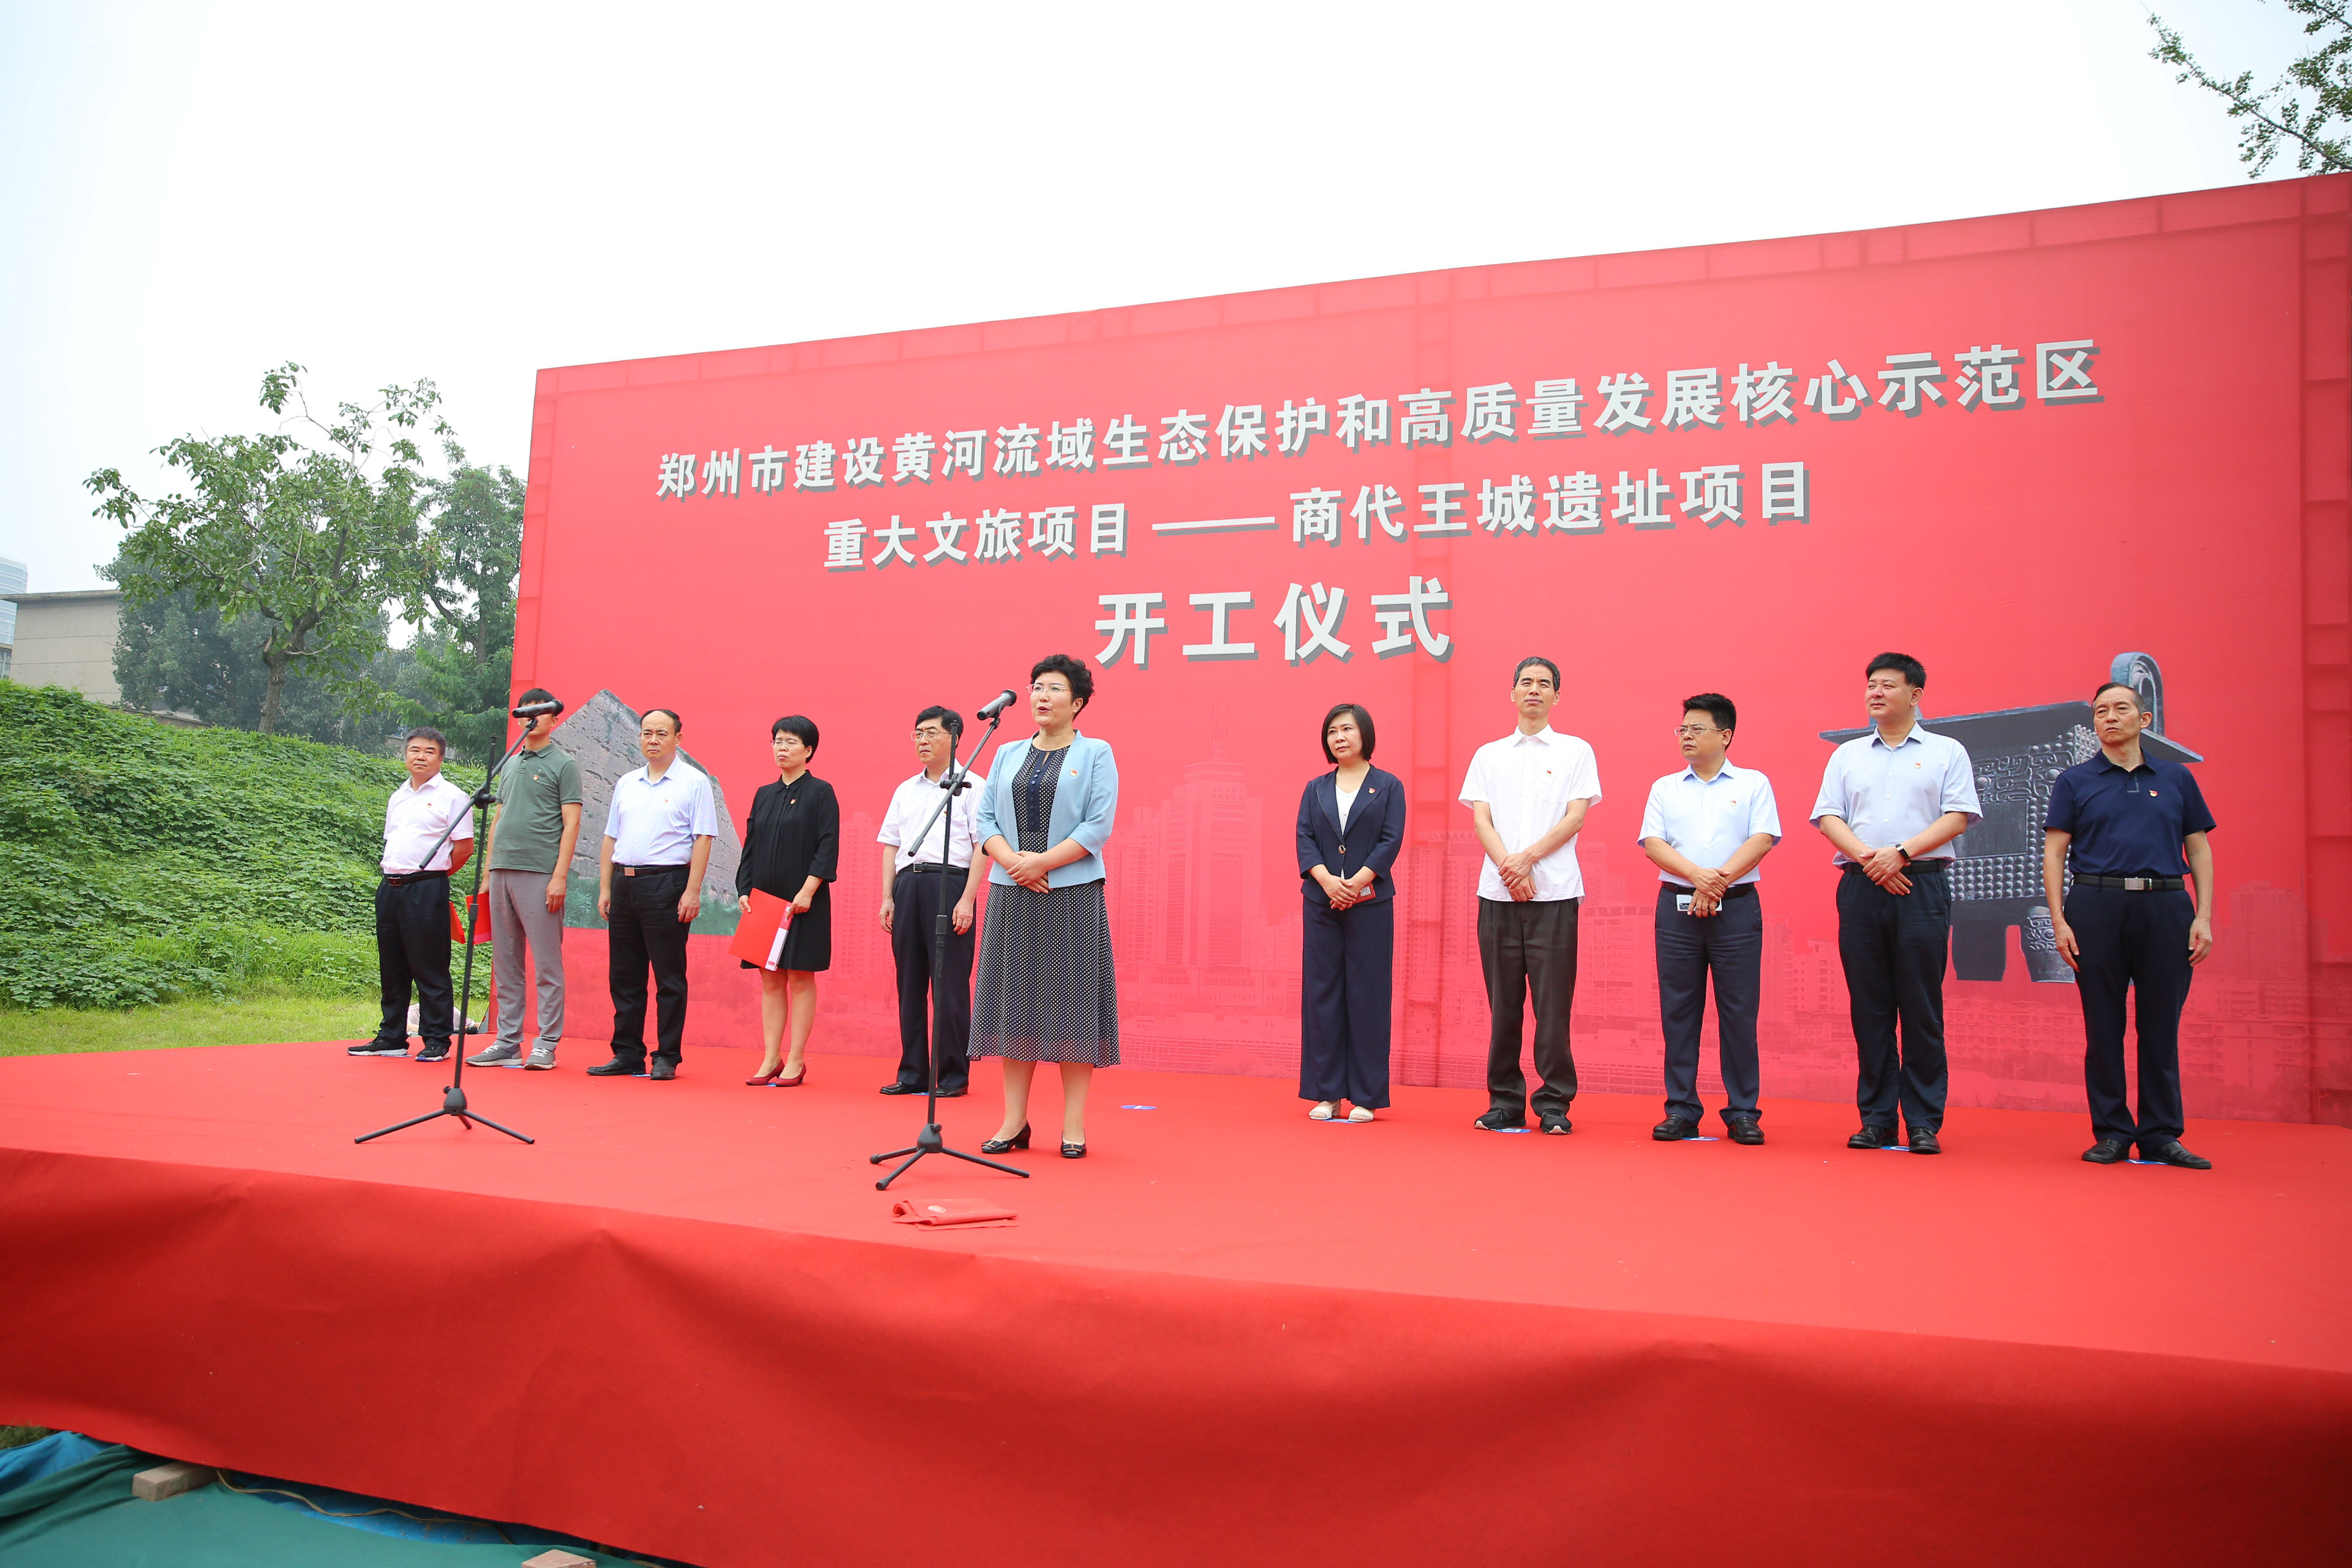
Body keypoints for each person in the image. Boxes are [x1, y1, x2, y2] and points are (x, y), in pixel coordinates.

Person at [1810, 654, 1981, 1155]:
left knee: (1921, 1006)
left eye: (1887, 685)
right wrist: (1870, 859)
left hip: (1920, 885)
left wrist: (1901, 854)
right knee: (1870, 1007)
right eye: (1871, 685)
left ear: (1916, 694)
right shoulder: (1848, 755)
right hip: (1862, 885)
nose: (1876, 693)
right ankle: (1878, 1118)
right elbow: (1828, 817)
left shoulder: (1947, 751)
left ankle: (1923, 1120)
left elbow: (1958, 816)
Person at [2044, 680, 2218, 1169]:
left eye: (2121, 709)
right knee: (2103, 1027)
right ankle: (2113, 1132)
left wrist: (2203, 916)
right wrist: (2059, 920)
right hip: (2096, 905)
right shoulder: (2075, 780)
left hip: (2166, 906)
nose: (2110, 717)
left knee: (2160, 1027)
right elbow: (2055, 853)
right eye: (2101, 711)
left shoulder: (2176, 778)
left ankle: (2161, 1135)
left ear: (2144, 720)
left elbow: (2199, 849)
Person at [971, 654, 1120, 1159]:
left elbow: (1097, 825)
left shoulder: (1096, 752)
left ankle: (1073, 1124)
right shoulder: (1006, 752)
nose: (1041, 695)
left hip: (1071, 895)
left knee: (1072, 1010)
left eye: (1054, 688)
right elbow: (985, 819)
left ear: (1076, 703)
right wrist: (1016, 863)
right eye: (1037, 686)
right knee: (1015, 1007)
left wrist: (1043, 864)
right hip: (1013, 892)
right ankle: (1014, 1121)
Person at [1458, 656, 1603, 1136]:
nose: (1534, 690)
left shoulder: (1576, 751)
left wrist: (1528, 860)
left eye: (1544, 684)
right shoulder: (1489, 755)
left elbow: (1575, 818)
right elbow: (1482, 820)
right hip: (1497, 896)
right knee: (1504, 1006)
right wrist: (1509, 867)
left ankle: (1554, 1104)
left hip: (1554, 894)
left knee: (1552, 1008)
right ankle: (1505, 1102)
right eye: (1526, 683)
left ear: (1557, 696)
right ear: (1513, 693)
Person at [1637, 693, 1781, 1144]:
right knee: (1678, 1011)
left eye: (1697, 729)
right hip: (1677, 909)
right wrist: (1698, 877)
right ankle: (1681, 1109)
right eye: (1682, 729)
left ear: (1726, 736)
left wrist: (1716, 882)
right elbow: (1653, 844)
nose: (1686, 736)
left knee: (1739, 1012)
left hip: (1736, 908)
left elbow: (1763, 839)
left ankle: (1743, 1112)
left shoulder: (1753, 783)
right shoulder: (1665, 788)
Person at [589, 708, 716, 1082]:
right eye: (647, 733)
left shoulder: (694, 782)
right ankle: (627, 1053)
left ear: (678, 738)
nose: (653, 740)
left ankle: (667, 1055)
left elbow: (703, 838)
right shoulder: (627, 782)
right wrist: (605, 886)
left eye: (662, 734)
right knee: (624, 975)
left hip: (667, 884)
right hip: (623, 883)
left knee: (668, 976)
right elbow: (611, 837)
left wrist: (692, 891)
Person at [1295, 702, 1406, 1121]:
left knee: (1368, 996)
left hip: (1370, 904)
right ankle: (1327, 1094)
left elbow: (1390, 841)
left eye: (1347, 729)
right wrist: (1327, 882)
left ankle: (1365, 1096)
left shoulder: (1388, 785)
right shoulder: (1315, 788)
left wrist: (1357, 882)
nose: (1339, 737)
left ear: (1365, 735)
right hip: (1321, 903)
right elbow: (1305, 838)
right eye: (1332, 732)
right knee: (1322, 996)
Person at [466, 690, 582, 1071]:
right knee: (506, 962)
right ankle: (507, 1042)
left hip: (540, 872)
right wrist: (487, 874)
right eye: (526, 713)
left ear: (554, 719)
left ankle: (546, 1043)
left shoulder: (563, 764)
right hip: (501, 871)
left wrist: (559, 876)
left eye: (541, 712)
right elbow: (498, 819)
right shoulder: (511, 762)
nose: (532, 718)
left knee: (547, 964)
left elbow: (571, 824)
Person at [876, 706, 989, 1098]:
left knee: (950, 985)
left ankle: (953, 1075)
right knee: (909, 983)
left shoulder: (973, 785)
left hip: (950, 884)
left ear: (954, 737)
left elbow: (982, 846)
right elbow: (891, 846)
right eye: (918, 734)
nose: (922, 741)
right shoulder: (905, 790)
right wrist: (888, 896)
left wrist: (968, 899)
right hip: (908, 885)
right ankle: (912, 1073)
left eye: (931, 733)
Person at [349, 728, 474, 1063]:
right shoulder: (399, 796)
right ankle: (392, 1036)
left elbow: (464, 848)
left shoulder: (453, 796)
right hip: (390, 887)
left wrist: (432, 877)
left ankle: (436, 1039)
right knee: (392, 966)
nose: (420, 756)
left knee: (430, 965)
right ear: (405, 755)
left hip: (426, 888)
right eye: (415, 750)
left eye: (429, 751)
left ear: (441, 758)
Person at [736, 715, 839, 1087]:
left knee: (799, 975)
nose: (782, 747)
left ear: (808, 750)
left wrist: (808, 890)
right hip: (764, 899)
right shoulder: (764, 793)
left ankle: (796, 1059)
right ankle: (771, 1058)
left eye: (791, 741)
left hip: (803, 900)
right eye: (778, 740)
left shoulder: (821, 792)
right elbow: (750, 846)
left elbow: (827, 845)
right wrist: (744, 889)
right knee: (770, 977)